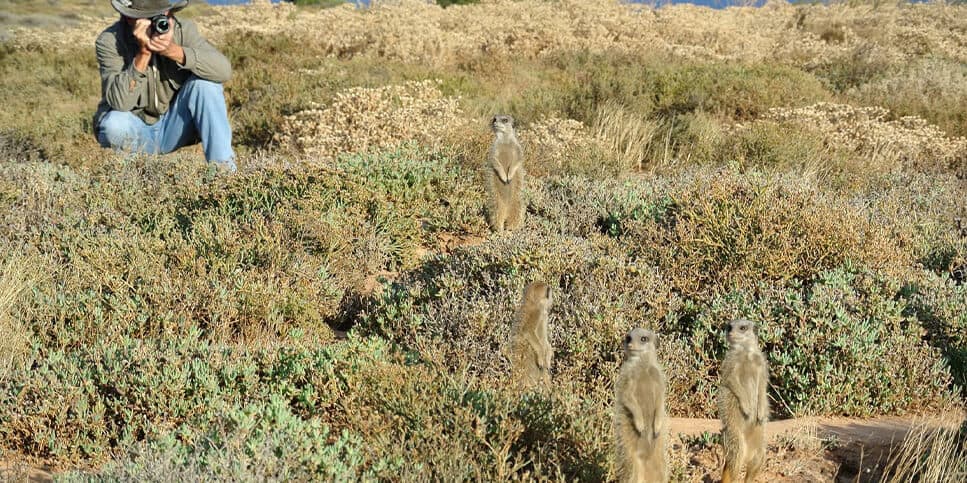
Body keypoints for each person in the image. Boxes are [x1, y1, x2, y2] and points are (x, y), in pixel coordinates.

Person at [94, 0, 237, 173]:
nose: (156, 24)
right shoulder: (110, 41)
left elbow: (224, 71)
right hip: (136, 130)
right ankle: (132, 186)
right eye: (146, 18)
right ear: (128, 18)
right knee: (114, 124)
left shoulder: (183, 30)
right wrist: (143, 54)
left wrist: (174, 51)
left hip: (175, 126)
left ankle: (225, 175)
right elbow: (120, 103)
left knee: (205, 85)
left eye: (160, 15)